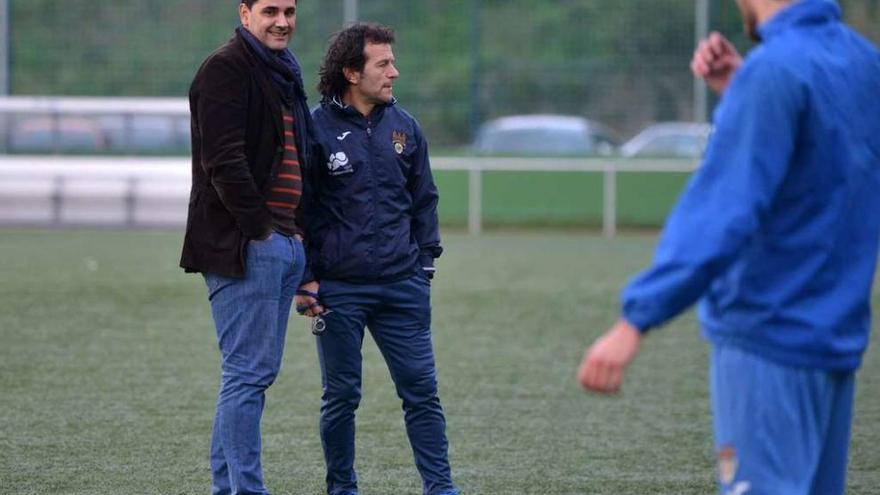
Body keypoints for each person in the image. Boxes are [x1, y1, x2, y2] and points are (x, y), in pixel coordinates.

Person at [577, 0, 880, 494]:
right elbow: (826, 165)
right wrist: (744, 92)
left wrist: (636, 319)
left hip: (769, 340)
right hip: (836, 342)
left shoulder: (775, 71)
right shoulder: (864, 63)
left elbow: (723, 212)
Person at [293, 22, 459, 495]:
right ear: (351, 71)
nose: (394, 73)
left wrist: (425, 266)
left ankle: (440, 489)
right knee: (341, 398)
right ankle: (341, 488)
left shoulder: (405, 128)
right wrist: (306, 279)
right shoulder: (315, 129)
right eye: (383, 64)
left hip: (402, 286)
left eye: (392, 62)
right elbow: (298, 209)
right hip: (338, 291)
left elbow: (424, 200)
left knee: (422, 395)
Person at [179, 1, 315, 493]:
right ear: (244, 13)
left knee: (248, 376)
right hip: (249, 245)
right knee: (248, 376)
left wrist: (296, 239)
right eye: (270, 10)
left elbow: (298, 158)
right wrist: (261, 230)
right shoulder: (226, 69)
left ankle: (227, 488)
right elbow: (224, 161)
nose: (282, 20)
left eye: (290, 10)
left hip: (284, 243)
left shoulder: (285, 74)